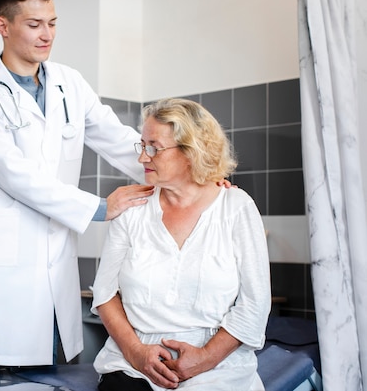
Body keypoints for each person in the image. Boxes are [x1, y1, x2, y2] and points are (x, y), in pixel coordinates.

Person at [0, 0, 155, 378]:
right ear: (2, 26)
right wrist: (100, 207)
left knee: (51, 382)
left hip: (54, 279)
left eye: (53, 23)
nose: (47, 35)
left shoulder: (69, 84)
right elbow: (15, 176)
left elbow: (118, 139)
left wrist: (183, 172)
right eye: (34, 24)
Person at [91, 98, 271, 391]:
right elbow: (105, 293)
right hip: (133, 367)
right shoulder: (132, 209)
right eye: (142, 145)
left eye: (154, 148)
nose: (142, 158)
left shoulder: (236, 207)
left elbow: (255, 303)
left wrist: (205, 358)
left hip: (218, 368)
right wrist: (137, 354)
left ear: (192, 152)